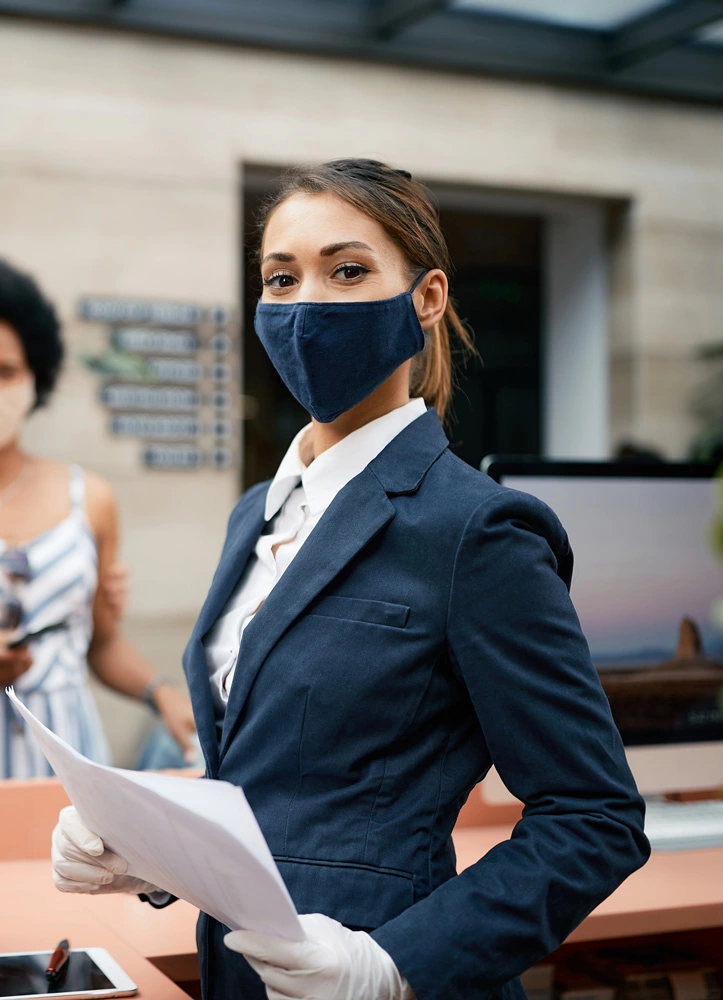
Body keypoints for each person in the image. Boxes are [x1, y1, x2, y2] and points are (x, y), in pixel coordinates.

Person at [49, 160, 650, 1000]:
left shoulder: (478, 531)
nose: (308, 306)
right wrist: (142, 846)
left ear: (428, 298)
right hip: (247, 977)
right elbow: (274, 775)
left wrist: (396, 966)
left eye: (348, 270)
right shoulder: (257, 510)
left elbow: (596, 818)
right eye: (281, 278)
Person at [0, 253, 197, 781]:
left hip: (68, 763)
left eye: (5, 372)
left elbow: (102, 641)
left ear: (34, 376)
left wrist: (161, 693)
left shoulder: (88, 498)